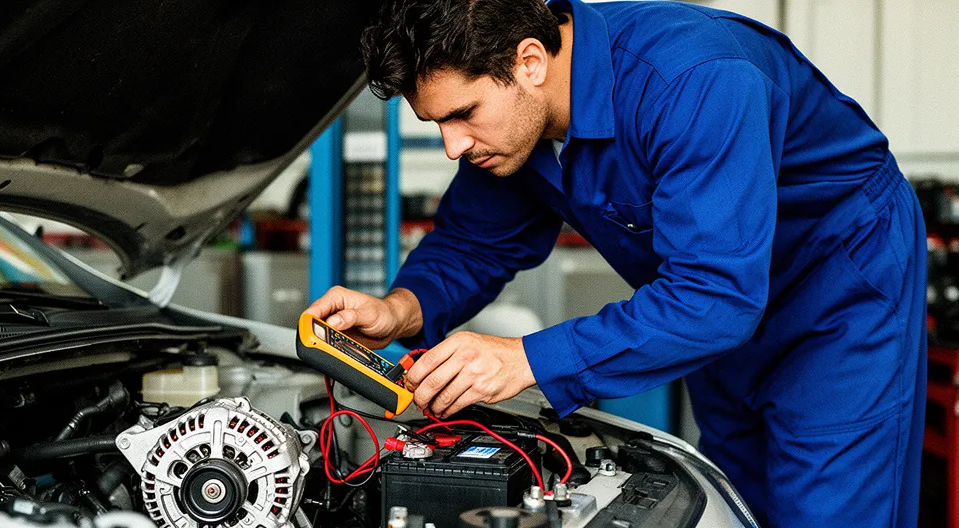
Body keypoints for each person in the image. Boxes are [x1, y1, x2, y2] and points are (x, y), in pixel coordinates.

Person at [305, 0, 926, 525]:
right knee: (737, 504)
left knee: (827, 509)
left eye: (463, 115)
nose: (452, 146)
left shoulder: (695, 80)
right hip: (711, 309)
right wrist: (399, 309)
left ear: (529, 61)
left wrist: (523, 359)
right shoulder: (516, 125)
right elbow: (474, 239)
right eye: (435, 122)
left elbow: (715, 298)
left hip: (837, 295)